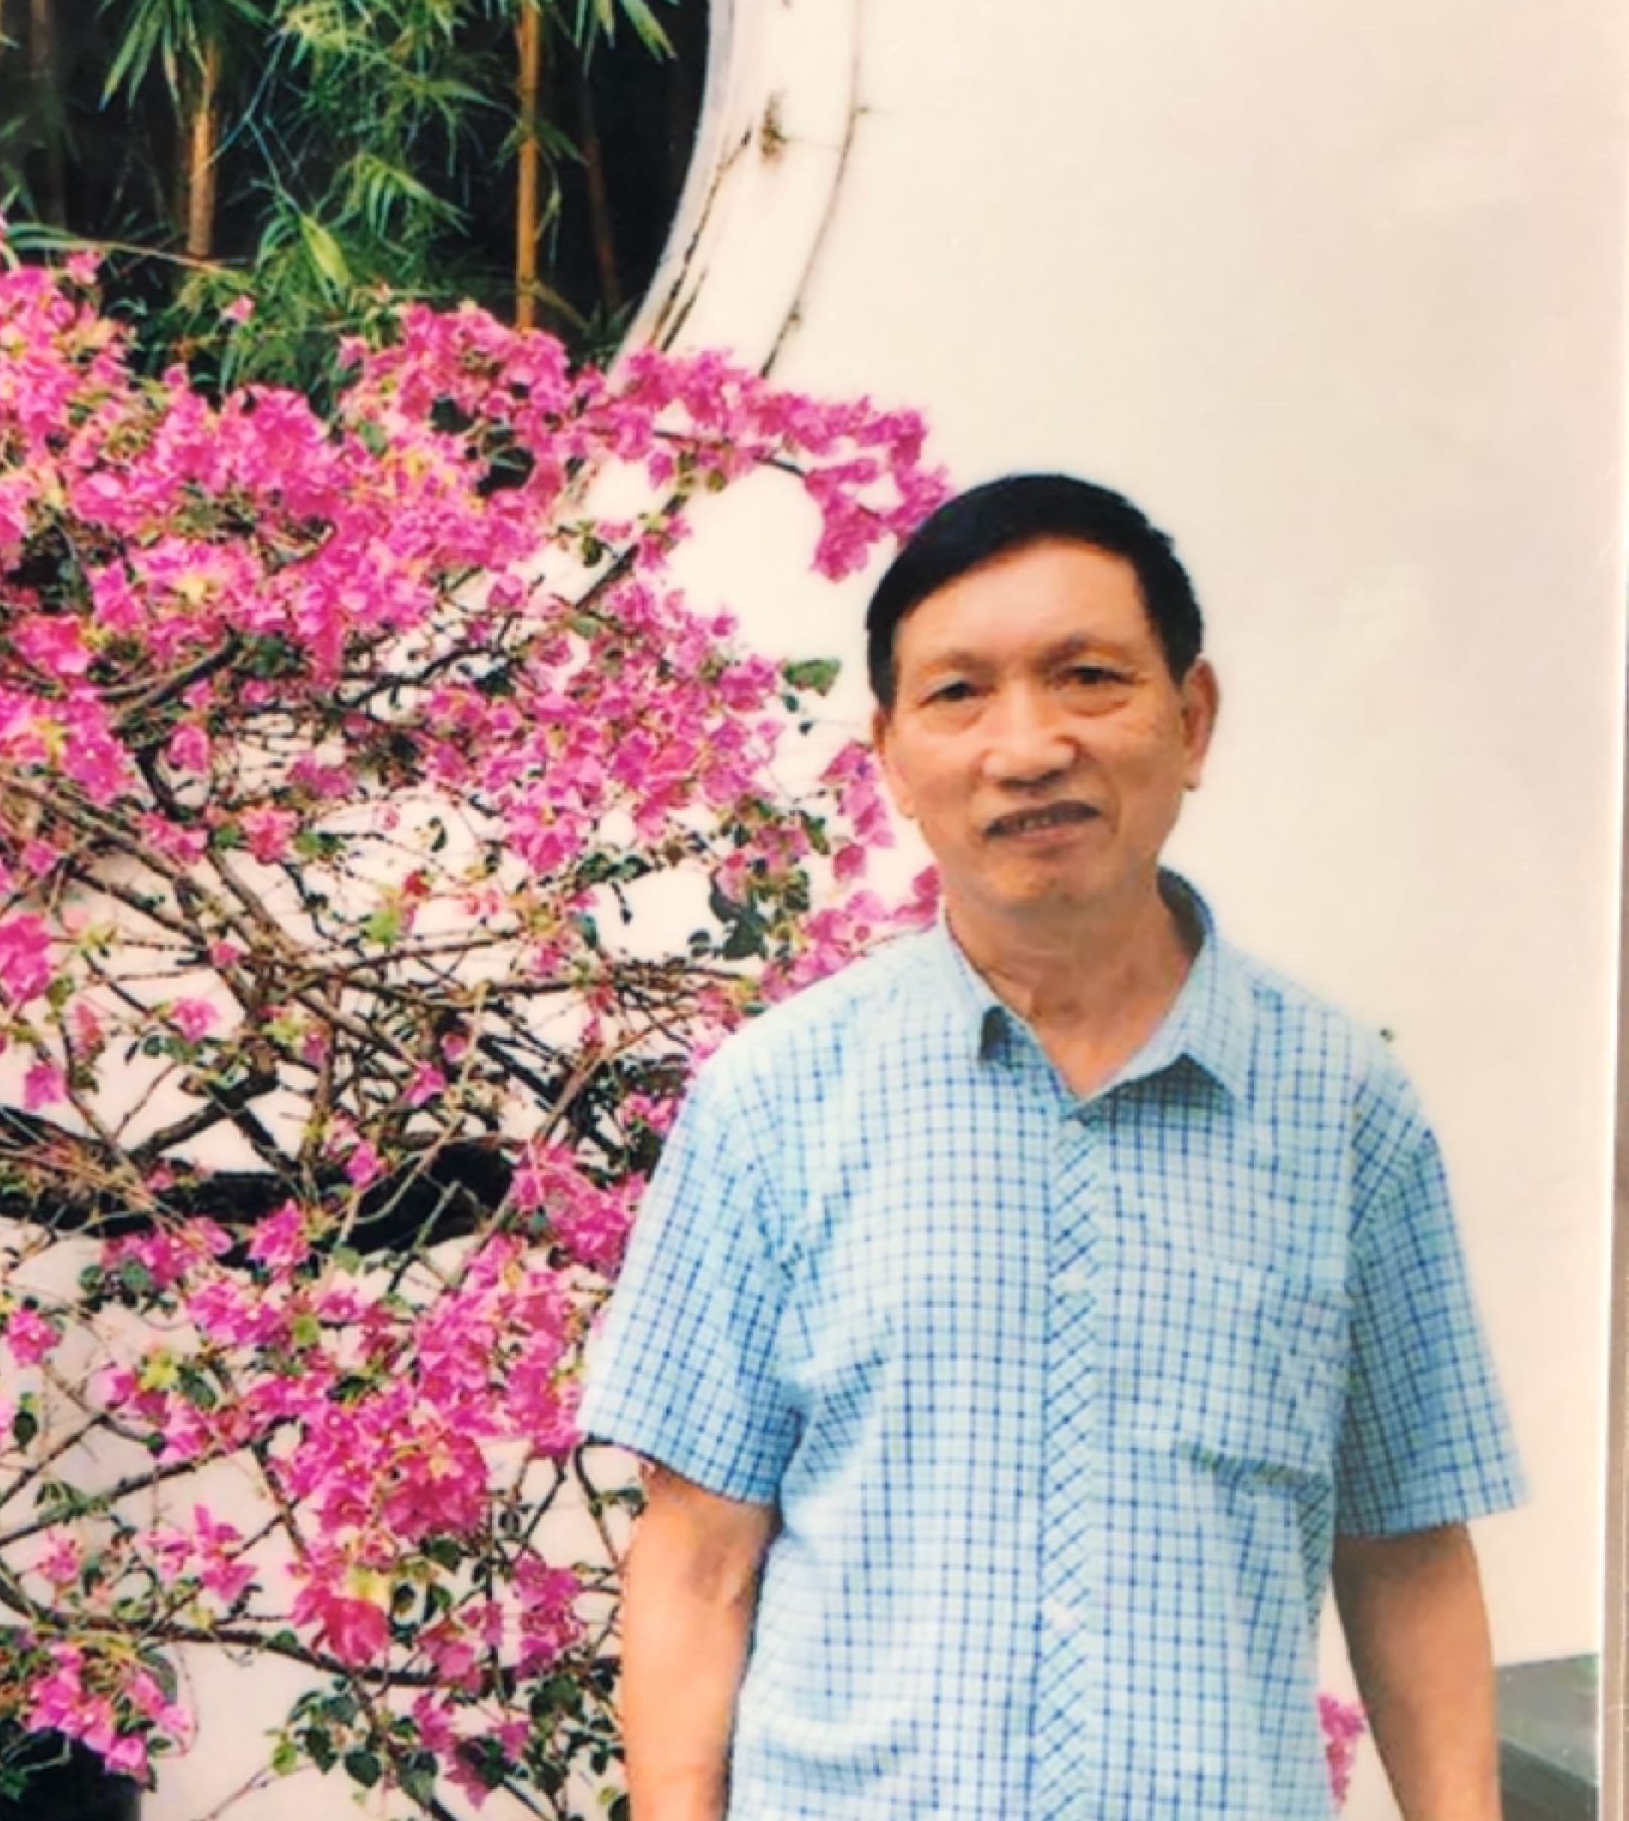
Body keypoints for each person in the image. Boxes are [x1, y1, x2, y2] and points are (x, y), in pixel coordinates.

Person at [578, 473, 1524, 1821]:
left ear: (1190, 720)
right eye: (959, 693)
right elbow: (695, 1565)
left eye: (1087, 677)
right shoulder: (773, 1105)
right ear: (892, 757)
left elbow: (1408, 1550)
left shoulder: (1346, 1113)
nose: (1026, 748)